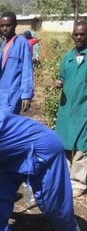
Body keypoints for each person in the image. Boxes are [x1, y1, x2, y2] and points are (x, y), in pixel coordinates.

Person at [55, 21, 87, 198]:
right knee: (65, 142)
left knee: (82, 146)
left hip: (84, 109)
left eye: (82, 34)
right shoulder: (67, 57)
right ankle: (66, 178)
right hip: (67, 109)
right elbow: (62, 77)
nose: (79, 37)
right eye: (76, 34)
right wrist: (59, 83)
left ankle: (78, 182)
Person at [0, 11, 34, 114]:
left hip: (13, 93)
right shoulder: (3, 44)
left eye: (8, 25)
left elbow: (27, 70)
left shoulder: (22, 43)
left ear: (15, 25)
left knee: (8, 124)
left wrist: (26, 95)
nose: (4, 28)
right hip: (0, 94)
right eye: (2, 25)